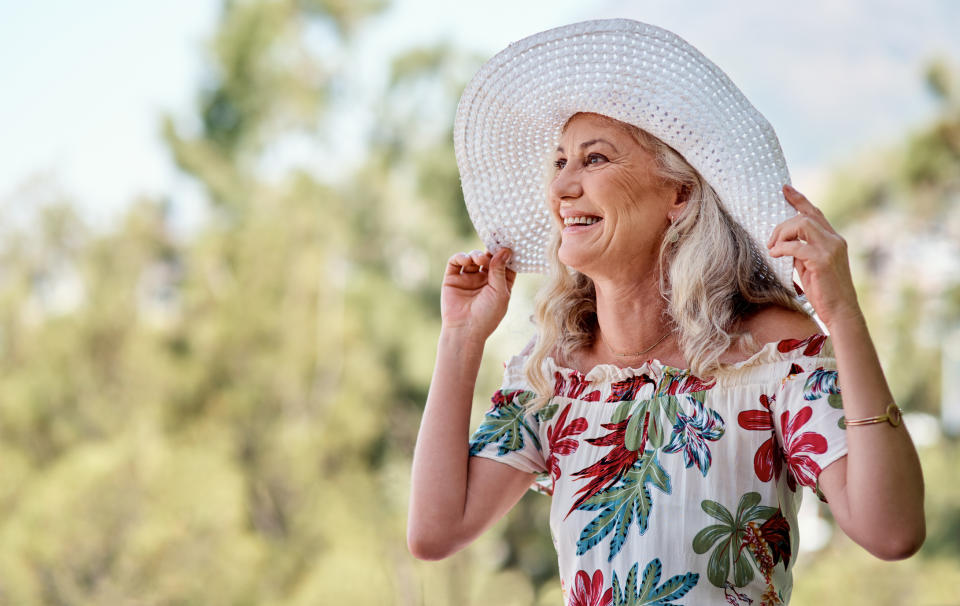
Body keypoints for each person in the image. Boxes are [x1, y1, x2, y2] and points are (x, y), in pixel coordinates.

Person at [407, 19, 924, 606]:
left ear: (678, 196)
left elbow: (892, 531)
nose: (562, 188)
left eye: (594, 159)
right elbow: (435, 531)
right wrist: (460, 338)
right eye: (559, 163)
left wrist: (845, 317)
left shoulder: (772, 354)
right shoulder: (556, 372)